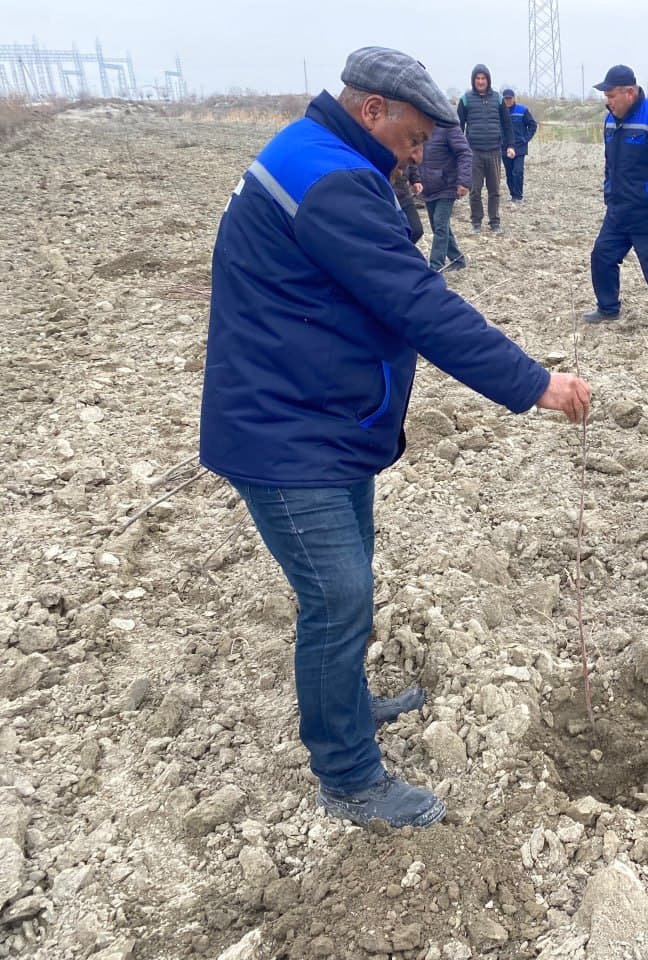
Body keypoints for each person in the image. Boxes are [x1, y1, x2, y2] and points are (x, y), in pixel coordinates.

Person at [199, 47, 592, 829]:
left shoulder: (324, 155)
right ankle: (348, 778)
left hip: (322, 417)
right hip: (285, 432)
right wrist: (533, 383)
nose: (418, 157)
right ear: (371, 111)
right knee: (337, 598)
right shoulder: (332, 180)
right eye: (412, 141)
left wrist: (399, 186)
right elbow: (419, 303)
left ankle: (348, 703)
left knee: (350, 580)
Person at [582, 64, 648, 341]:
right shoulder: (610, 120)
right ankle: (608, 308)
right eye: (605, 94)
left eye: (612, 95)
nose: (608, 100)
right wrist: (609, 192)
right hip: (618, 211)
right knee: (602, 256)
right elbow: (610, 164)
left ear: (630, 92)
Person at [457, 65, 514, 234]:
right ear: (473, 80)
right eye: (478, 79)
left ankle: (494, 222)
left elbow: (507, 124)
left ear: (488, 80)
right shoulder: (465, 99)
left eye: (483, 78)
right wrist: (459, 150)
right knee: (474, 190)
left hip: (494, 151)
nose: (481, 82)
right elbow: (458, 127)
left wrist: (510, 145)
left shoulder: (498, 99)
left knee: (494, 190)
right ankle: (476, 221)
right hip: (473, 152)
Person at [421, 121, 473, 271]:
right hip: (428, 186)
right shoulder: (421, 124)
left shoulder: (449, 127)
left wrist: (463, 182)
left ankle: (435, 266)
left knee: (440, 224)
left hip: (447, 184)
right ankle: (457, 259)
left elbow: (465, 153)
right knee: (438, 225)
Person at [501, 87, 537, 202]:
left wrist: (525, 138)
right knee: (509, 172)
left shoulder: (522, 111)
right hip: (504, 147)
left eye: (509, 98)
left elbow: (532, 125)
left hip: (519, 146)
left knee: (518, 171)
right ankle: (512, 194)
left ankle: (518, 196)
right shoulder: (499, 112)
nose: (508, 100)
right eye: (505, 98)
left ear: (513, 98)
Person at [391, 162, 425, 244]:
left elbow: (409, 160)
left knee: (416, 230)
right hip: (386, 194)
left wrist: (415, 180)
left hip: (403, 193)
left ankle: (400, 252)